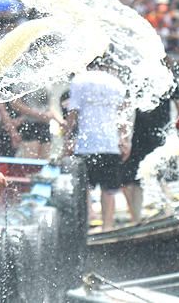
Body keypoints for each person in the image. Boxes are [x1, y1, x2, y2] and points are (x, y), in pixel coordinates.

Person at [60, 56, 130, 231]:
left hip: (86, 144)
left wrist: (67, 137)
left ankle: (84, 228)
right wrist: (124, 139)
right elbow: (123, 114)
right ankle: (107, 227)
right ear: (105, 64)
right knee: (109, 189)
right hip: (110, 144)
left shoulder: (79, 80)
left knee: (84, 187)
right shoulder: (115, 82)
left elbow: (73, 112)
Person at [120, 62, 179, 223]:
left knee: (136, 180)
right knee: (160, 178)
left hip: (141, 136)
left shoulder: (138, 78)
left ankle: (137, 219)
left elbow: (126, 109)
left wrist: (123, 136)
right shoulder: (167, 78)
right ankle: (166, 215)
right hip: (160, 136)